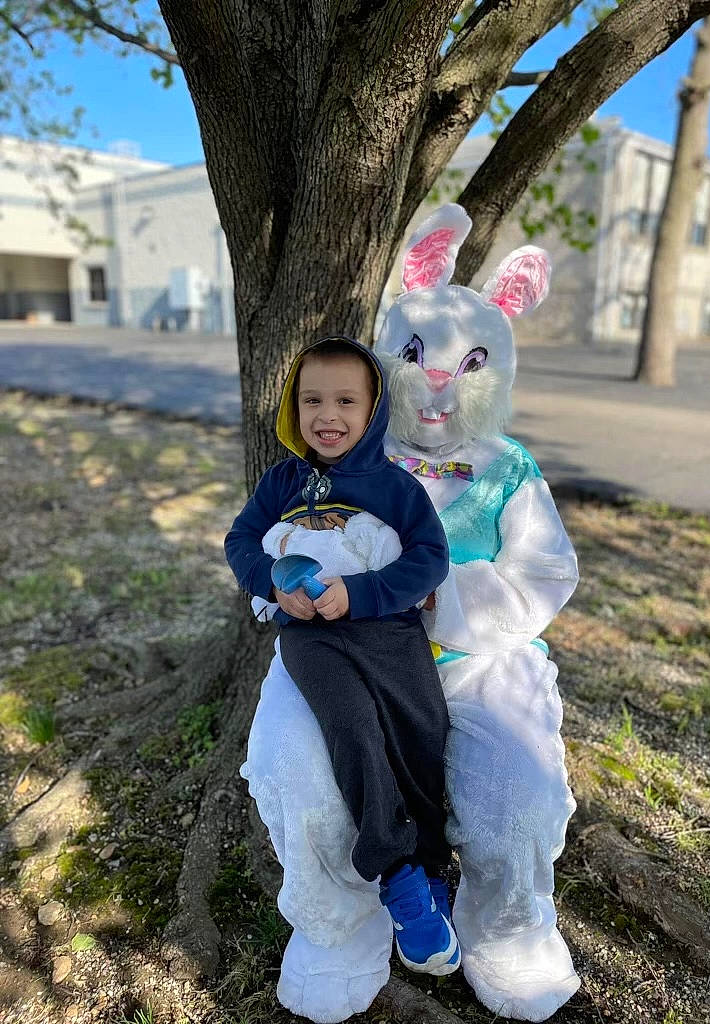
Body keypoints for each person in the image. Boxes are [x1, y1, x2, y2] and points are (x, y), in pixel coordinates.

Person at [239, 206, 581, 1024]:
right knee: (302, 773)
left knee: (521, 791)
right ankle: (337, 925)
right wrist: (278, 584)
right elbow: (277, 532)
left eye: (467, 363)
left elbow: (545, 571)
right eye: (419, 356)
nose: (437, 381)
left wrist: (446, 597)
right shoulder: (346, 448)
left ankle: (505, 923)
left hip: (476, 662)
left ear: (497, 367)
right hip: (340, 647)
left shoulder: (508, 466)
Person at [225, 336, 460, 977]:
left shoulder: (393, 485)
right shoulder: (282, 482)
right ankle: (396, 872)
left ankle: (433, 861)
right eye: (312, 401)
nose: (328, 416)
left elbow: (429, 558)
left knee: (421, 730)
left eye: (346, 401)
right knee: (352, 727)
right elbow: (240, 539)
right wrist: (271, 582)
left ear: (374, 409)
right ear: (293, 409)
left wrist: (358, 592)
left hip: (388, 627)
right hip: (311, 636)